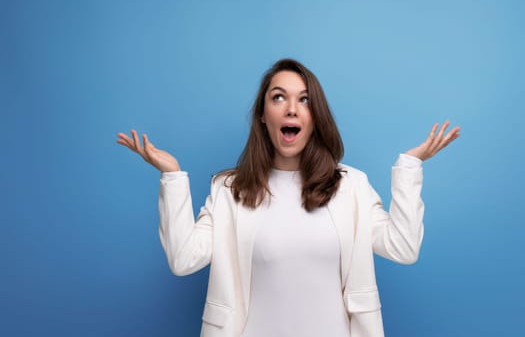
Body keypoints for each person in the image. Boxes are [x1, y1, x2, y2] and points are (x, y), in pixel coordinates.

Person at [116, 58, 460, 337]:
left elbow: (403, 247)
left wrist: (409, 167)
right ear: (263, 117)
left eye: (304, 99)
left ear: (315, 117)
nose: (291, 109)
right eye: (278, 97)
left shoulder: (351, 186)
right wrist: (173, 175)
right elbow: (183, 259)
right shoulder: (229, 190)